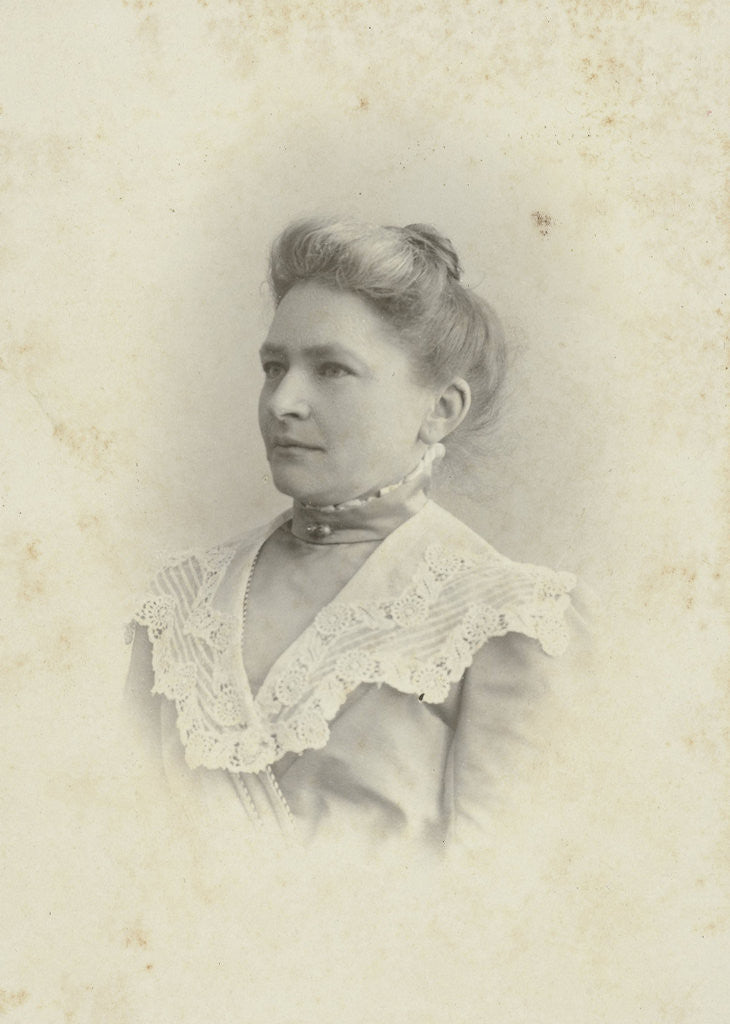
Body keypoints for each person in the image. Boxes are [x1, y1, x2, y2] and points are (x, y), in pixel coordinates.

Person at [124, 216, 589, 851]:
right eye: (273, 366)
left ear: (440, 409)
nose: (283, 401)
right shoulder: (180, 600)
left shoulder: (505, 620)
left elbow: (501, 900)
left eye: (332, 370)